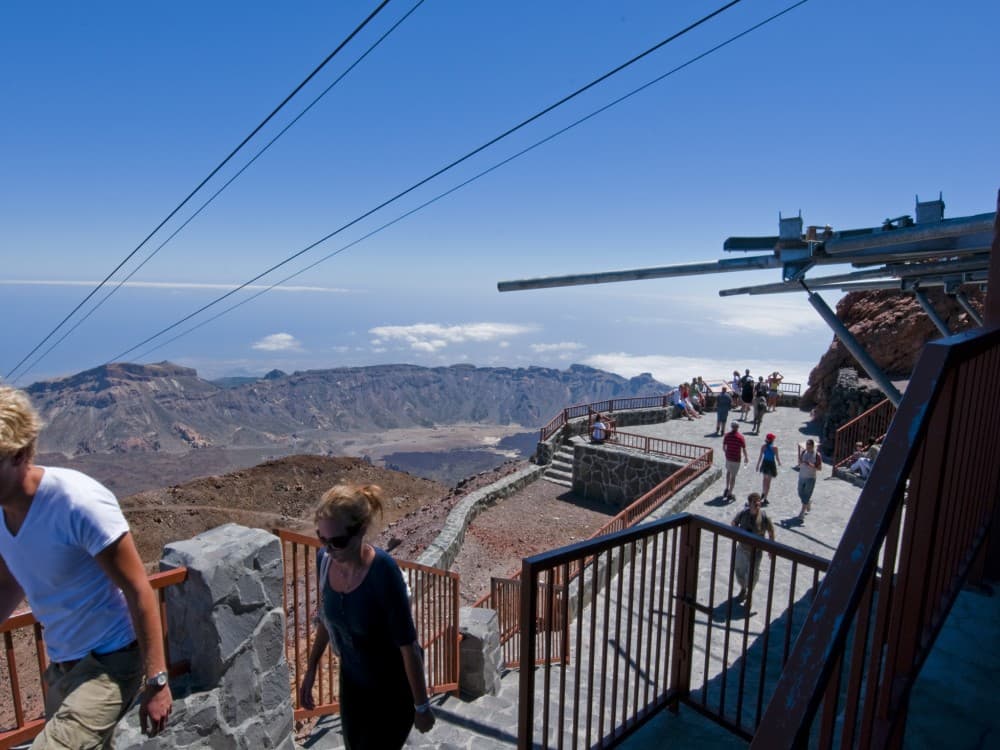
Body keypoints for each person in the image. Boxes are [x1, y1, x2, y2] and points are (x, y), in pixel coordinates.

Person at [0, 385, 172, 747]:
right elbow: (8, 579)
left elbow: (138, 587)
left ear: (18, 454)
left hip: (113, 660)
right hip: (63, 665)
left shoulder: (76, 502)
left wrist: (156, 682)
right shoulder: (2, 514)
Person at [299, 483, 435, 749]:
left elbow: (408, 647)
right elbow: (328, 619)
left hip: (392, 689)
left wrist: (421, 706)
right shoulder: (325, 562)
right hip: (353, 681)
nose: (328, 549)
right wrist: (312, 665)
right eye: (321, 539)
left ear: (361, 531)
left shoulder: (383, 573)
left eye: (337, 542)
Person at [731, 492, 775, 604]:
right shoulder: (743, 514)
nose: (757, 503)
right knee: (739, 570)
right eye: (754, 502)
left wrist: (771, 549)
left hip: (756, 551)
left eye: (758, 501)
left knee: (753, 574)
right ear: (749, 503)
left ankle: (749, 595)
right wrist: (739, 533)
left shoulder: (764, 517)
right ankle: (743, 589)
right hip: (742, 548)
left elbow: (771, 532)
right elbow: (733, 523)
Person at [721, 421, 749, 502]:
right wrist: (746, 457)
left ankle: (726, 488)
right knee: (733, 476)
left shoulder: (727, 436)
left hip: (729, 458)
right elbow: (743, 449)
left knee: (728, 472)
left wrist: (727, 453)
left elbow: (724, 447)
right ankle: (730, 493)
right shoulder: (740, 437)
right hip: (736, 459)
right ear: (737, 427)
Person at [796, 439, 822, 520]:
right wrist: (800, 462)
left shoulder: (817, 455)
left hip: (810, 477)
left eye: (809, 447)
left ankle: (802, 512)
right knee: (800, 492)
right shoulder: (804, 452)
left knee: (807, 494)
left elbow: (819, 468)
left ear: (813, 446)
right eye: (807, 446)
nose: (808, 448)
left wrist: (810, 465)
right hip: (802, 476)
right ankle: (808, 502)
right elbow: (800, 462)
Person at [756, 432, 781, 505]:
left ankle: (763, 492)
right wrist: (779, 462)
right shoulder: (775, 448)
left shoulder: (763, 447)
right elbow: (777, 457)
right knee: (768, 482)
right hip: (771, 464)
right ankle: (766, 497)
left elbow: (760, 456)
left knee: (764, 479)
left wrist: (757, 465)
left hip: (765, 463)